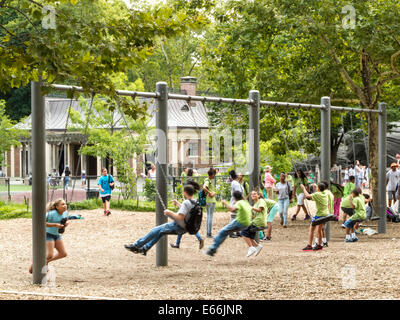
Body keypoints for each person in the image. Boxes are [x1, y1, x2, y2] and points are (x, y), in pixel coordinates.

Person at [125, 181, 202, 256]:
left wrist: (169, 212)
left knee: (154, 230)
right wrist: (178, 204)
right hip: (185, 229)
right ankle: (145, 248)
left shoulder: (186, 202)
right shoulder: (194, 202)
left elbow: (181, 217)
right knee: (160, 232)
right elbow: (188, 212)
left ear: (185, 192)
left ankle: (136, 246)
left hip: (177, 226)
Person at [204, 190, 252, 257]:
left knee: (222, 232)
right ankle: (214, 247)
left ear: (234, 197)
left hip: (239, 222)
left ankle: (212, 249)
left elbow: (232, 209)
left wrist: (225, 203)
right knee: (225, 232)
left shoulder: (239, 203)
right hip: (246, 224)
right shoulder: (245, 202)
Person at [29, 199, 69, 274]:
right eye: (62, 204)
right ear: (57, 207)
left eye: (65, 204)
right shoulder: (51, 214)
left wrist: (66, 224)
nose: (65, 206)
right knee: (49, 254)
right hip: (47, 234)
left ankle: (45, 262)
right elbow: (42, 222)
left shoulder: (65, 213)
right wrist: (55, 225)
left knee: (63, 253)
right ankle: (35, 262)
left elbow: (65, 220)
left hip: (56, 235)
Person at [300, 183, 329, 251]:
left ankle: (309, 245)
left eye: (317, 187)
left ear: (318, 188)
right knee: (319, 230)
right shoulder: (325, 193)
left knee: (312, 229)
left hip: (319, 215)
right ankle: (319, 245)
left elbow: (307, 196)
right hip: (325, 214)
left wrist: (303, 188)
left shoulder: (317, 194)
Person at [240, 190, 266, 257]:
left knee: (243, 232)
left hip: (258, 221)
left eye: (255, 194)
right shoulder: (255, 204)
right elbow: (253, 215)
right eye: (252, 194)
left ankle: (251, 248)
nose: (253, 195)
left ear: (258, 195)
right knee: (250, 236)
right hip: (256, 221)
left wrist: (251, 207)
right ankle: (257, 246)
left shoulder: (261, 201)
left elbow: (259, 210)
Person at [228, 170, 244, 238]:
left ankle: (238, 231)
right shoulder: (236, 183)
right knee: (234, 217)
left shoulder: (236, 183)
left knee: (238, 217)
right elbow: (238, 194)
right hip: (236, 201)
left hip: (236, 201)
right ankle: (231, 232)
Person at [203, 168, 217, 238]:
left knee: (209, 217)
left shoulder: (208, 180)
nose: (215, 176)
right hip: (210, 201)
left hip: (208, 201)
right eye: (214, 175)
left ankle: (208, 233)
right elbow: (204, 188)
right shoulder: (208, 180)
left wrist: (211, 192)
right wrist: (210, 193)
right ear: (212, 175)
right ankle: (209, 233)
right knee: (210, 217)